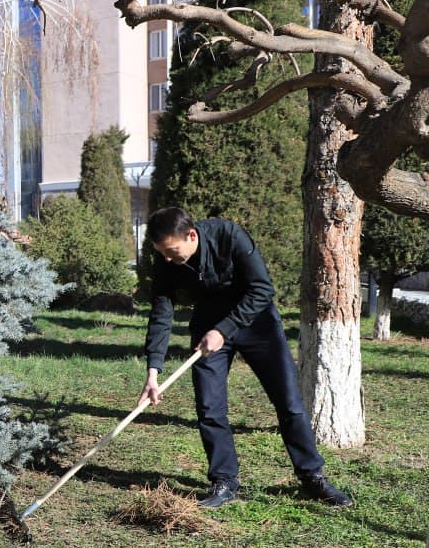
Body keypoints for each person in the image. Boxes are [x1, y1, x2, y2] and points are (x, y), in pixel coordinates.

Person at [139, 207, 352, 509]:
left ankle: (312, 476)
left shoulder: (229, 235)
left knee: (289, 402)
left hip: (257, 323)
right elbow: (161, 312)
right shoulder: (166, 262)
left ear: (192, 235)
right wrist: (153, 370)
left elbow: (262, 289)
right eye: (162, 253)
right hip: (207, 329)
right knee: (210, 407)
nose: (167, 259)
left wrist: (224, 329)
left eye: (172, 251)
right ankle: (224, 482)